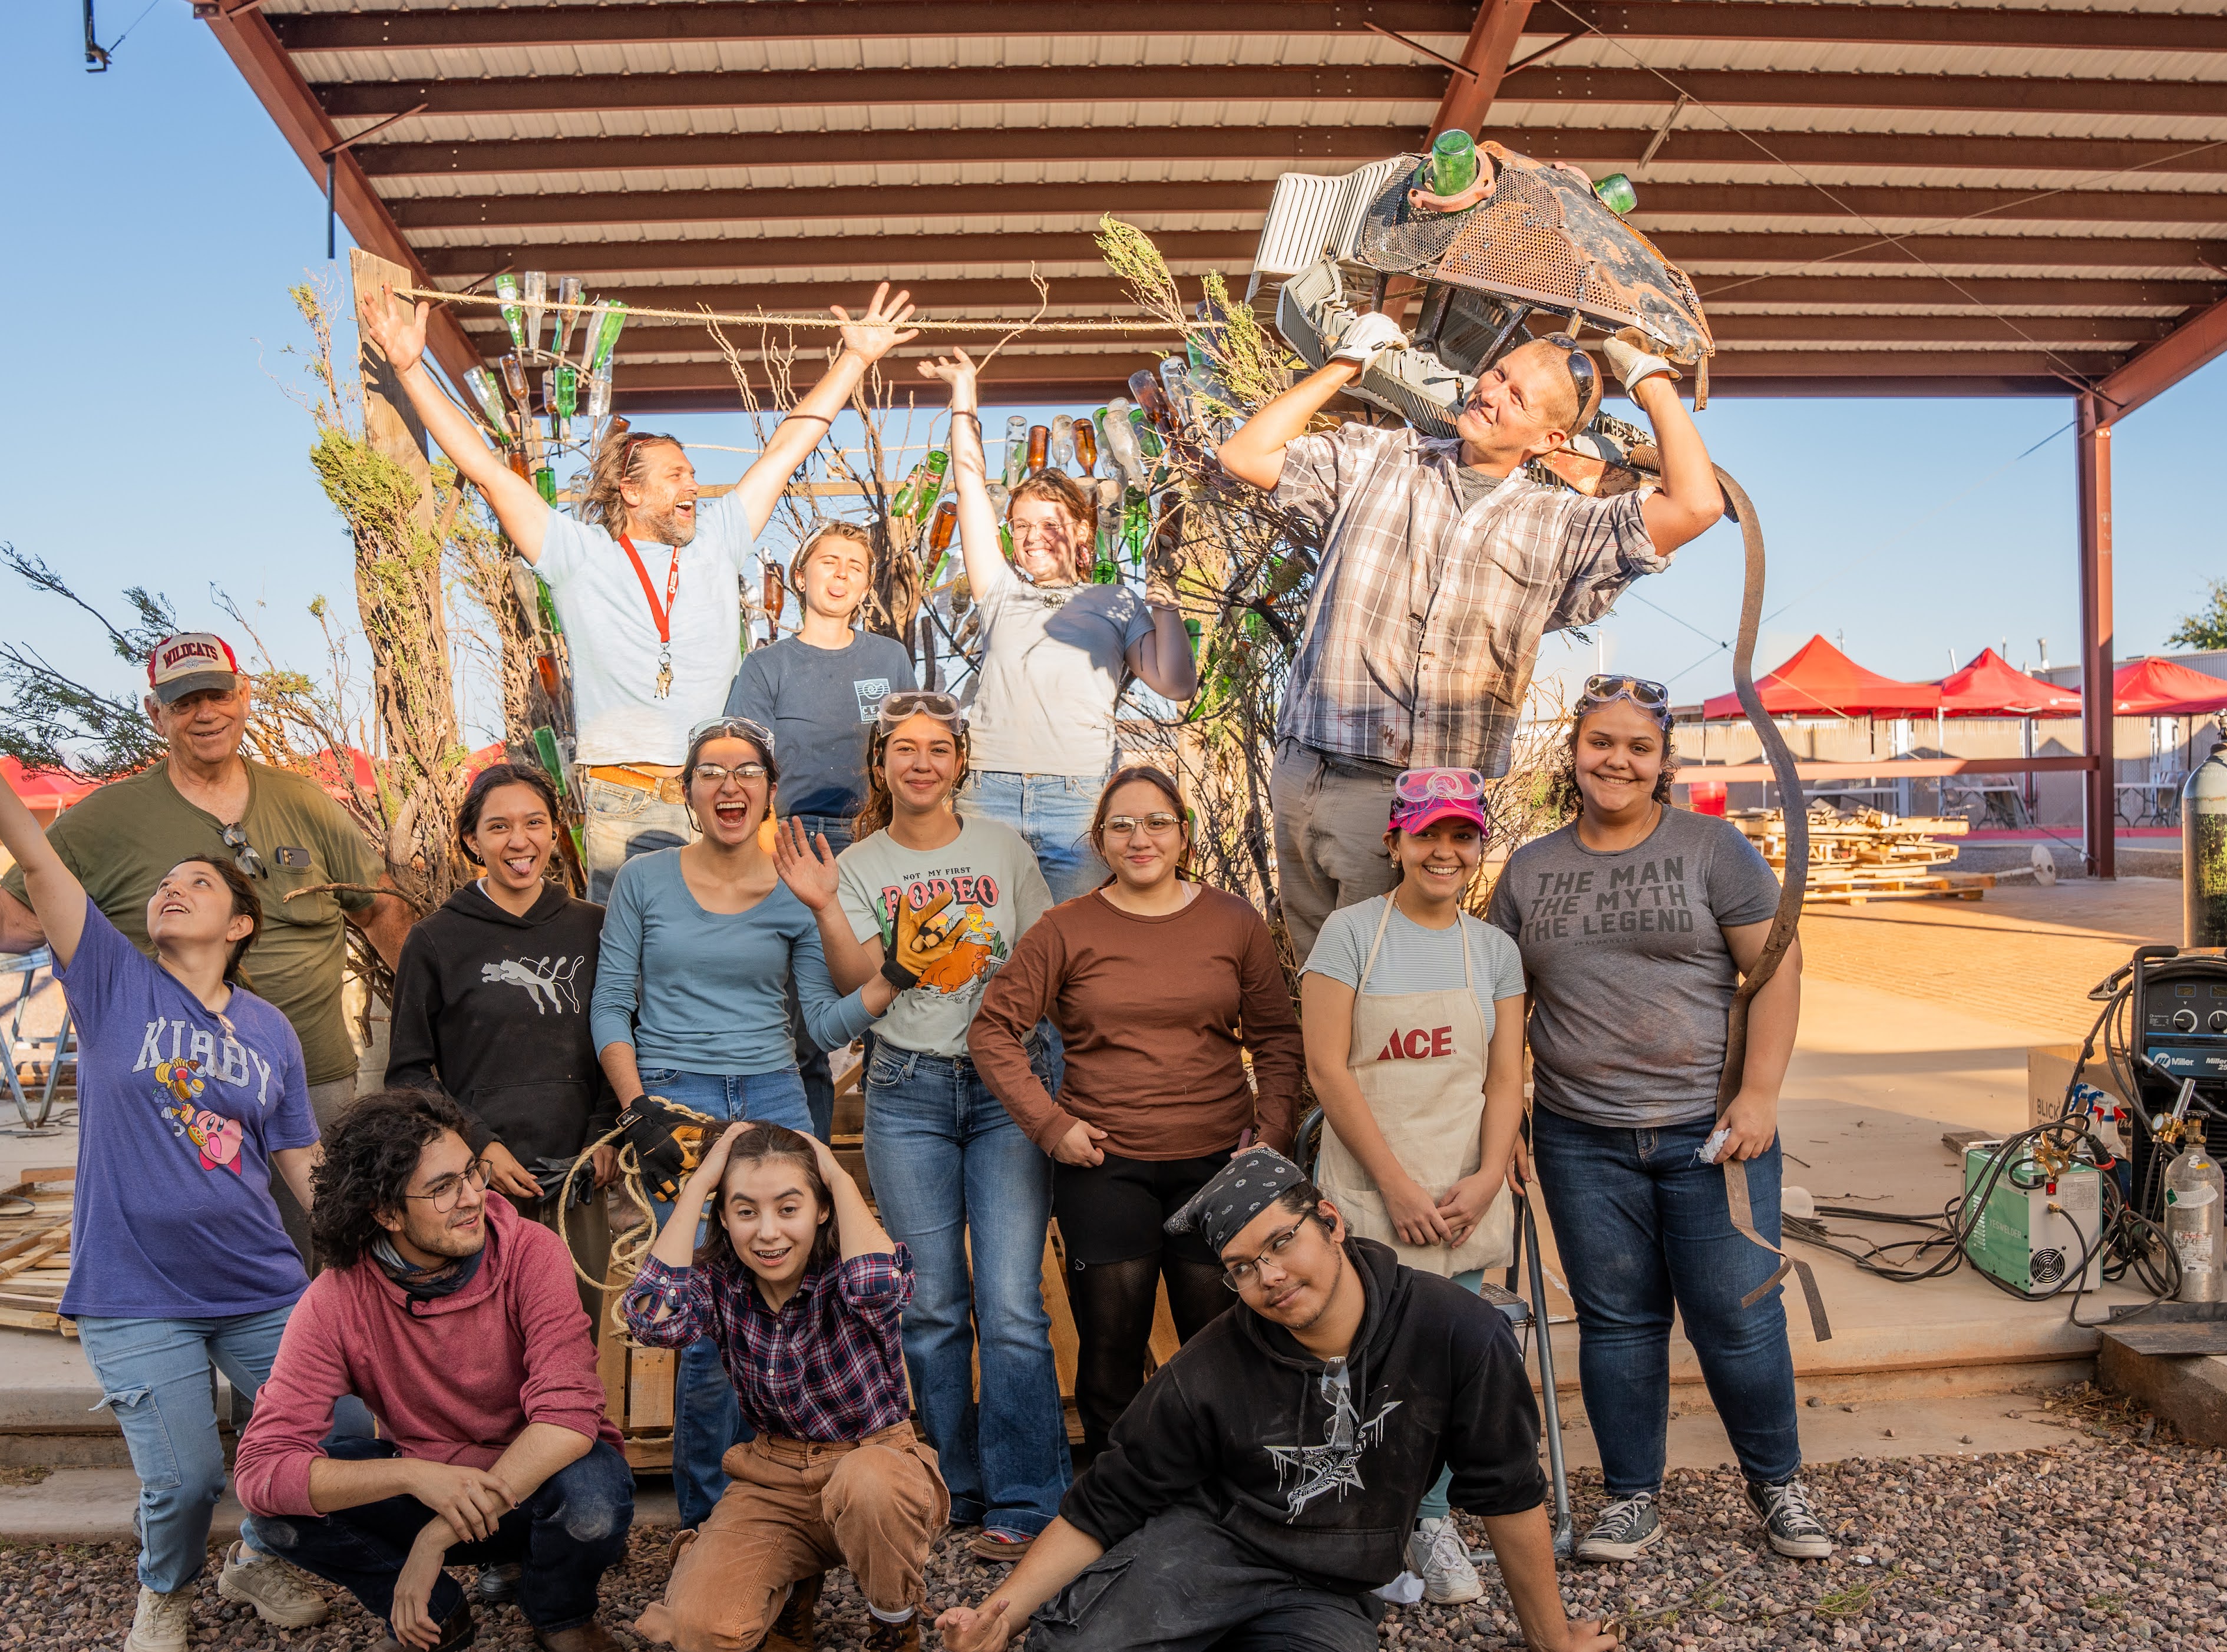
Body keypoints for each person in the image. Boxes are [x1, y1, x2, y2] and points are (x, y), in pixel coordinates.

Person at [0, 652, 335, 1652]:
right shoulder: (109, 985)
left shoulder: (269, 1029)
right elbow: (41, 866)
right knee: (184, 1476)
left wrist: (360, 1250)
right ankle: (165, 1588)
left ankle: (261, 1558)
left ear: (240, 925)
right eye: (166, 884)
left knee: (310, 1441)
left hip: (257, 1281)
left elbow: (297, 1156)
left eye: (199, 884)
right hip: (134, 1288)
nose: (173, 891)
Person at [931, 1148, 1617, 1652]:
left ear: (1330, 1220)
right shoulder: (1205, 1369)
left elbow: (1507, 1489)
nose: (1270, 1277)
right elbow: (1103, 1505)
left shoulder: (1454, 1331)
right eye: (1241, 1268)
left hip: (1330, 1581)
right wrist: (1002, 1613)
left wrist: (1549, 1637)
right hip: (1215, 1544)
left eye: (1281, 1242)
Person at [1216, 183, 1726, 957]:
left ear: (1549, 442)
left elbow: (1694, 506)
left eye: (1515, 397)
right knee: (1314, 983)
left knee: (1390, 988)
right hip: (1302, 772)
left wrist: (1649, 379)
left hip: (1416, 804)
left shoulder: (1559, 526)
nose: (1488, 392)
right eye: (1495, 375)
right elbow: (1243, 455)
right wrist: (1346, 365)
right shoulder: (1378, 458)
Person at [0, 631, 409, 1254]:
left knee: (326, 1258)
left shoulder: (304, 802)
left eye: (215, 694)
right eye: (183, 703)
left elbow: (383, 912)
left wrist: (431, 1044)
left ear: (244, 696)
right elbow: (11, 918)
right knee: (199, 1265)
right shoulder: (108, 820)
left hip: (312, 1085)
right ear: (156, 714)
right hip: (181, 1094)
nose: (205, 713)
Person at [357, 281, 920, 900]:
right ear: (630, 491)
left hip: (718, 789)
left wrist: (854, 360)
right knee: (628, 956)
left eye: (694, 474)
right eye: (676, 474)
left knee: (720, 948)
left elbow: (787, 448)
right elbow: (490, 474)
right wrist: (411, 369)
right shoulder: (577, 553)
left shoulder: (718, 538)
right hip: (622, 789)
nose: (694, 485)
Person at [1486, 675, 1830, 1564]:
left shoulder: (1713, 849)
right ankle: (1631, 1496)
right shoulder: (1530, 869)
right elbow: (1503, 1001)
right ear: (1573, 753)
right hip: (1579, 1137)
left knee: (1738, 1316)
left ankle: (1777, 1483)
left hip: (1709, 1134)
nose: (1617, 760)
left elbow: (1776, 972)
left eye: (1638, 747)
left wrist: (1758, 1096)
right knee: (1617, 1322)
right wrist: (1510, 1121)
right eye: (1601, 742)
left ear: (1663, 762)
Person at [774, 690, 1065, 1561]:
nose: (922, 762)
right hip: (907, 1088)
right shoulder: (859, 864)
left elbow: (1045, 953)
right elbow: (857, 980)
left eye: (938, 747)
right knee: (931, 1306)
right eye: (904, 748)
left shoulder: (1002, 849)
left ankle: (1027, 1498)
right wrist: (827, 905)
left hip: (1005, 1082)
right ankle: (954, 1487)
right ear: (880, 764)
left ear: (960, 762)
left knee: (1011, 1301)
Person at [234, 1086, 636, 1652]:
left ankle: (560, 1611)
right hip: (428, 1482)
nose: (474, 1196)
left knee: (594, 1498)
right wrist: (412, 1478)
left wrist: (434, 1538)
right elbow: (261, 1468)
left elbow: (569, 1417)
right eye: (443, 1187)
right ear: (386, 1213)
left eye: (471, 1172)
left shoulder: (531, 1253)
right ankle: (437, 1617)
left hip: (533, 1491)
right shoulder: (338, 1298)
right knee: (278, 1518)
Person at [590, 717, 893, 1532]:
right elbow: (610, 1006)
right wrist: (637, 1109)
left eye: (747, 770)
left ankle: (794, 1504)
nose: (729, 785)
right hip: (676, 1103)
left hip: (773, 1099)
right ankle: (710, 1521)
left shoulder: (794, 887)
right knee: (704, 1316)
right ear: (688, 790)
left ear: (769, 788)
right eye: (711, 772)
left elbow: (825, 1028)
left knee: (793, 1300)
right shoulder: (643, 881)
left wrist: (836, 920)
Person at [968, 765, 1304, 1462]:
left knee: (1218, 1336)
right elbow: (991, 1030)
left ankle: (1225, 1482)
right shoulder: (1065, 928)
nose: (1139, 837)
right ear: (1100, 841)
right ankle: (1117, 1489)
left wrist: (1268, 1142)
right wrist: (1050, 1125)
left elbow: (1275, 1038)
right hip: (1106, 1164)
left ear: (1183, 833)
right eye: (1121, 825)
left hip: (1219, 1166)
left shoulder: (1232, 922)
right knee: (1111, 1342)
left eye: (1156, 822)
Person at [622, 1121, 944, 1652]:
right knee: (698, 1630)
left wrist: (831, 1166)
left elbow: (880, 1287)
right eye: (745, 1211)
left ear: (821, 1209)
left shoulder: (845, 1270)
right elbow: (651, 1316)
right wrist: (701, 1182)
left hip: (872, 1458)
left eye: (788, 1208)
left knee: (870, 1483)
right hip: (773, 1473)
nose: (767, 1232)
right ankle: (792, 1583)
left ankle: (893, 1629)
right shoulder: (722, 1282)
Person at [1298, 767, 1528, 1609]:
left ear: (1477, 847)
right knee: (1361, 1364)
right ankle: (1367, 1527)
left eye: (1460, 835)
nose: (1443, 850)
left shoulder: (1494, 951)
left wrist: (1488, 1174)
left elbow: (1505, 1080)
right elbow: (1327, 1067)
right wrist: (1393, 1186)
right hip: (1370, 1190)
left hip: (1460, 1190)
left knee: (1445, 1365)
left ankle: (1429, 1520)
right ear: (1394, 840)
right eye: (1426, 833)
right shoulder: (1351, 934)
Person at [921, 352, 1198, 902]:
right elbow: (971, 488)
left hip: (1080, 799)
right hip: (989, 795)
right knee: (983, 950)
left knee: (1071, 957)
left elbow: (1175, 683)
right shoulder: (1001, 592)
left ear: (1081, 531)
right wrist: (964, 393)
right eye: (1021, 525)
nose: (1032, 535)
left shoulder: (1114, 600)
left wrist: (1163, 595)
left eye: (1049, 523)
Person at [728, 521, 916, 1139]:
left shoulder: (889, 658)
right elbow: (745, 764)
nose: (840, 575)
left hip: (876, 839)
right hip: (794, 843)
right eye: (828, 562)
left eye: (855, 566)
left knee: (889, 996)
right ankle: (797, 1161)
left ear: (866, 584)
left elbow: (913, 752)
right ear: (800, 576)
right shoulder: (767, 666)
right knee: (797, 1015)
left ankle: (893, 1158)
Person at [384, 762, 616, 1210]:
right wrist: (477, 1142)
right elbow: (407, 1074)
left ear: (553, 831)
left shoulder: (596, 928)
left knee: (574, 1284)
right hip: (478, 1183)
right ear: (472, 840)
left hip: (580, 1176)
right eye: (498, 826)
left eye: (534, 822)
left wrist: (605, 1135)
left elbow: (621, 1039)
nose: (519, 840)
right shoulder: (435, 940)